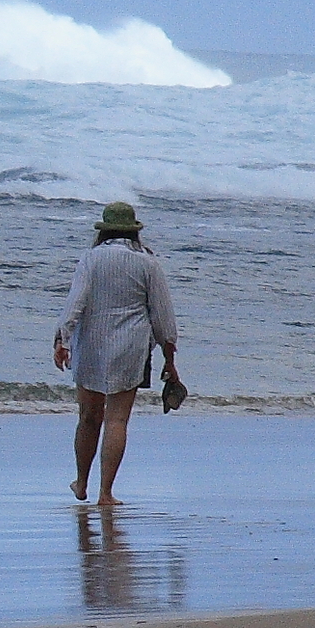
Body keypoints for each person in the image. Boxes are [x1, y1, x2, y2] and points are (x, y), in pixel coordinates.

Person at [53, 201, 180, 505]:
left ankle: (81, 483)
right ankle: (105, 493)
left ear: (103, 231)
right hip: (130, 347)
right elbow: (163, 316)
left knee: (88, 417)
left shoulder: (90, 259)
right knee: (117, 421)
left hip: (91, 346)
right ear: (134, 232)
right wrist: (170, 358)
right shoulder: (148, 263)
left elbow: (75, 304)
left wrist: (63, 340)